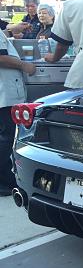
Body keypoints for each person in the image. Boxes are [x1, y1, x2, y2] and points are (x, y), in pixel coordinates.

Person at [0, 29, 36, 196]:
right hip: (5, 94)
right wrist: (24, 65)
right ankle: (3, 180)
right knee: (7, 136)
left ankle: (6, 178)